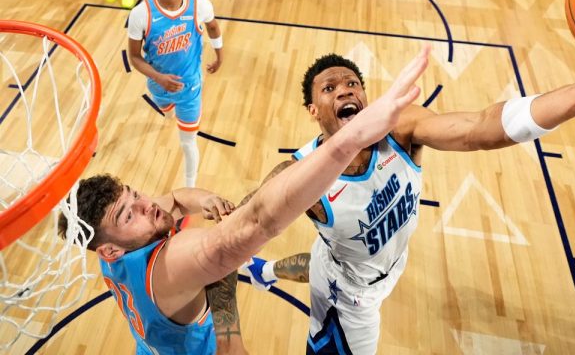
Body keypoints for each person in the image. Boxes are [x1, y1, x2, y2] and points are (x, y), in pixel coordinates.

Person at [241, 51, 575, 354]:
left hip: (371, 262)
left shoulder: (401, 129)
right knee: (331, 289)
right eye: (329, 88)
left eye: (352, 83)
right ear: (313, 111)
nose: (345, 89)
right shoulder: (301, 176)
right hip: (352, 302)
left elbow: (481, 128)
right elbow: (244, 223)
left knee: (320, 260)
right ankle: (268, 275)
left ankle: (264, 272)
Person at [57, 48, 430, 354]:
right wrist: (347, 142)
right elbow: (252, 227)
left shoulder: (118, 243)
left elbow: (172, 199)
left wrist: (204, 199)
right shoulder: (172, 264)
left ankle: (263, 272)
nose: (146, 204)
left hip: (152, 345)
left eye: (134, 195)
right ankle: (259, 271)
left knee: (318, 263)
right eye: (128, 213)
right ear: (109, 250)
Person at [127, 0, 223, 188]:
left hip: (190, 89)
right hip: (158, 86)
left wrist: (220, 54)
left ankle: (189, 187)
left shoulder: (200, 5)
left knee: (188, 142)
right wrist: (159, 77)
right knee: (167, 110)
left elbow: (212, 27)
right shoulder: (141, 14)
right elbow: (134, 57)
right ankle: (169, 110)